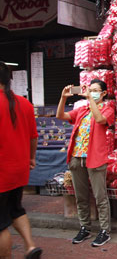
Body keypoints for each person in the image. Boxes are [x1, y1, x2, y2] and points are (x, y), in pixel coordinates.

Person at [56, 79, 115, 247]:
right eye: (90, 90)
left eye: (95, 90)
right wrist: (63, 98)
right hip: (76, 157)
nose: (91, 92)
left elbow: (99, 119)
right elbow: (61, 116)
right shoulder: (82, 110)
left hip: (95, 158)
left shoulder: (108, 109)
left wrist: (90, 99)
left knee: (100, 196)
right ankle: (85, 227)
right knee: (80, 196)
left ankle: (104, 230)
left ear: (103, 94)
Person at [0, 61, 42, 259]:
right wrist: (31, 158)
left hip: (2, 171)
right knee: (16, 209)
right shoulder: (24, 103)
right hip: (19, 169)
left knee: (1, 225)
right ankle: (30, 246)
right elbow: (34, 136)